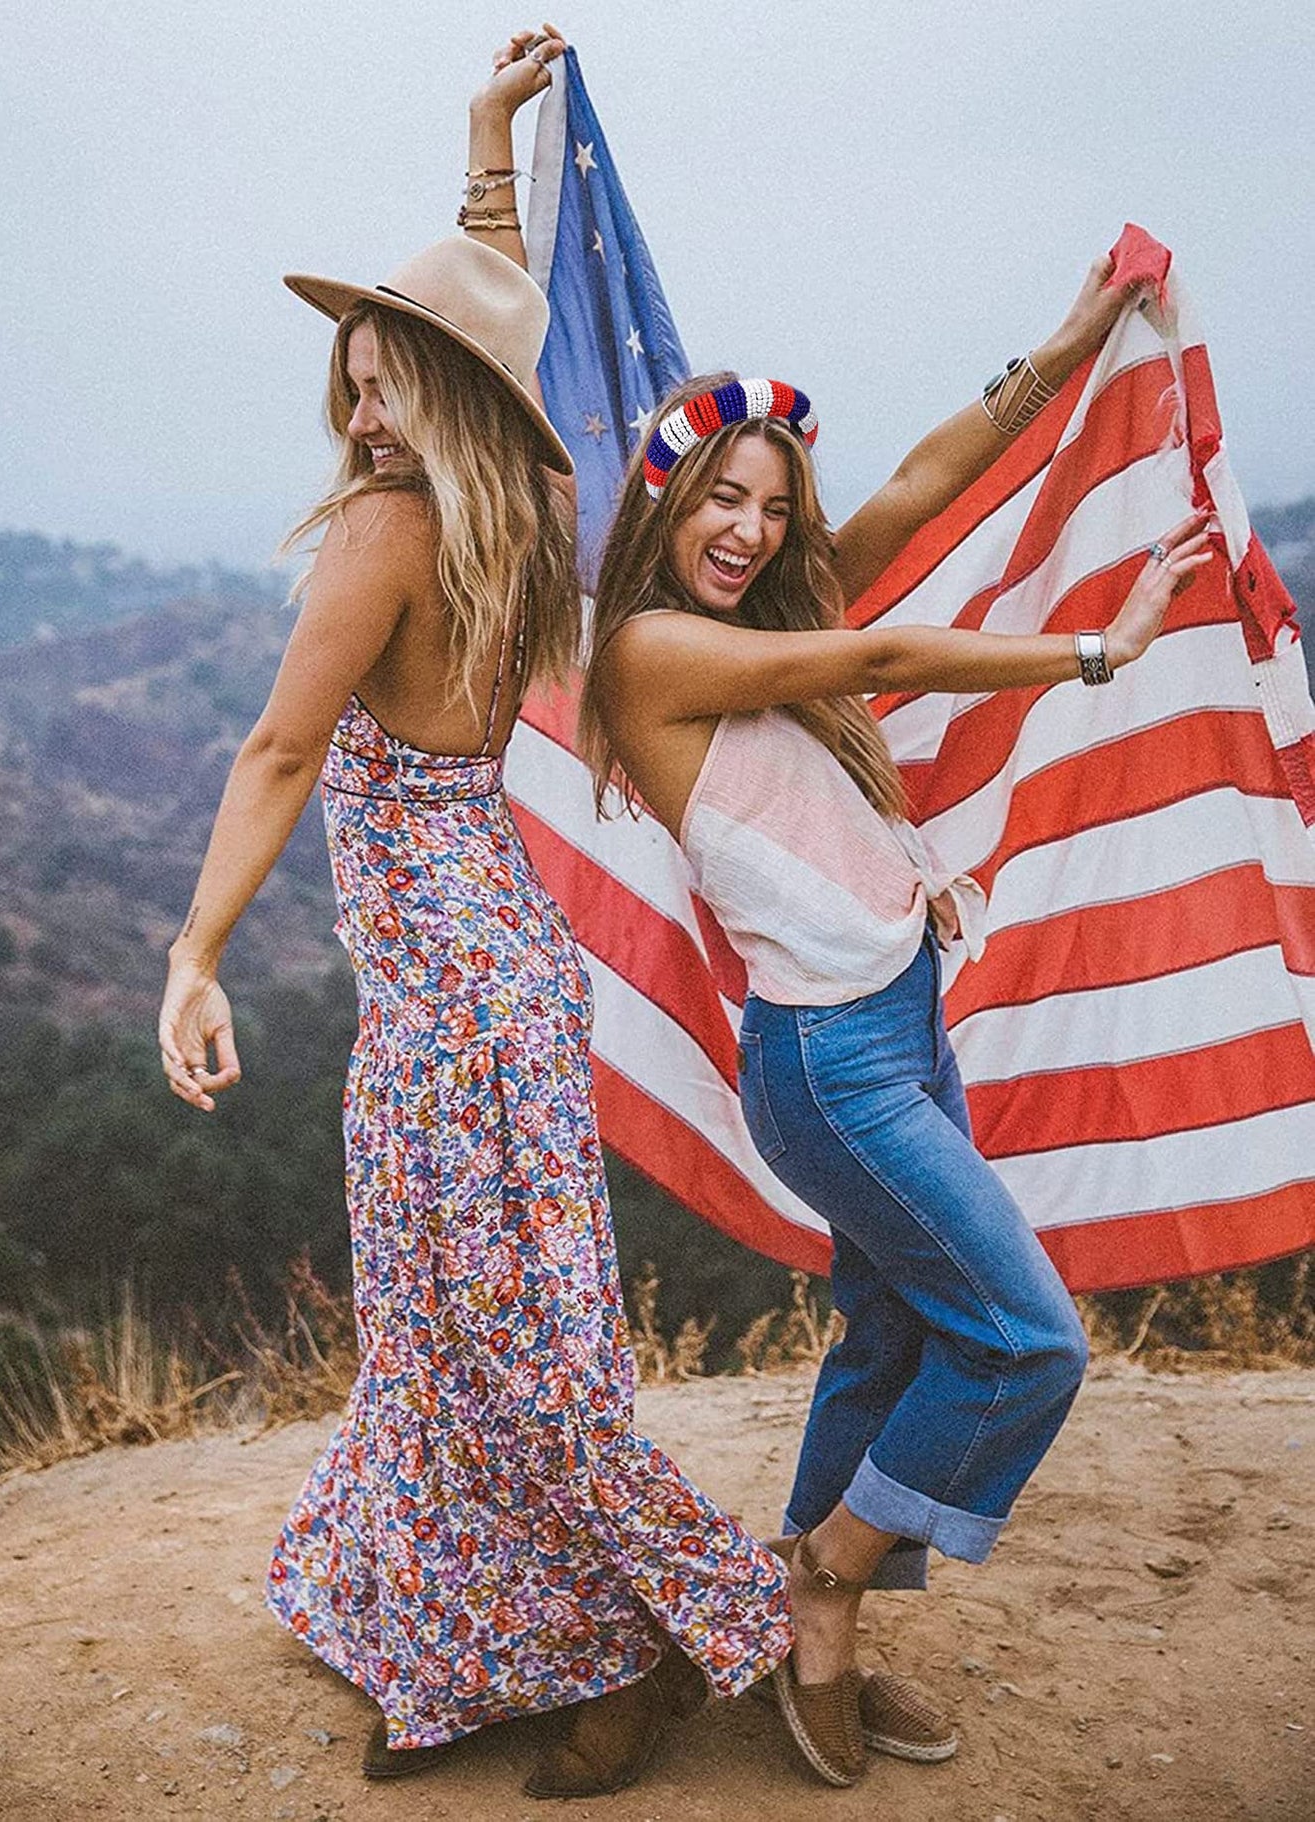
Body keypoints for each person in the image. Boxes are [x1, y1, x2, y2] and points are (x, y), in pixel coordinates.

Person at [156, 27, 792, 1800]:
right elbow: (487, 312)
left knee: (484, 1343)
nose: (357, 409)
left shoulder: (387, 522)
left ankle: (648, 1636)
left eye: (379, 381)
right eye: (348, 378)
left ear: (427, 396)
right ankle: (472, 1639)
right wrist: (484, 141)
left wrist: (195, 949)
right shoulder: (527, 499)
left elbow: (285, 747)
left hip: (450, 1004)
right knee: (488, 1331)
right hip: (502, 975)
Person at [580, 274, 1212, 1786]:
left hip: (898, 1020)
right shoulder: (651, 653)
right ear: (659, 510)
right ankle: (820, 1576)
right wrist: (1095, 651)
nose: (745, 529)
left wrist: (1067, 339)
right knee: (1025, 1340)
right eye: (715, 499)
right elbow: (875, 662)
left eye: (769, 506)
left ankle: (817, 1643)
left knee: (891, 1329)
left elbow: (928, 480)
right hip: (825, 1065)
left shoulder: (777, 600)